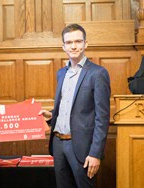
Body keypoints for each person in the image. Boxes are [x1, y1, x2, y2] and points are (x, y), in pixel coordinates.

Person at [39, 23, 110, 188]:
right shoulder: (61, 73)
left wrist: (95, 153)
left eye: (78, 41)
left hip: (82, 148)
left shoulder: (98, 73)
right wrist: (51, 115)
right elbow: (67, 106)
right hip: (58, 144)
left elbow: (102, 117)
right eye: (69, 42)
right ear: (63, 46)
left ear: (86, 44)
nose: (74, 46)